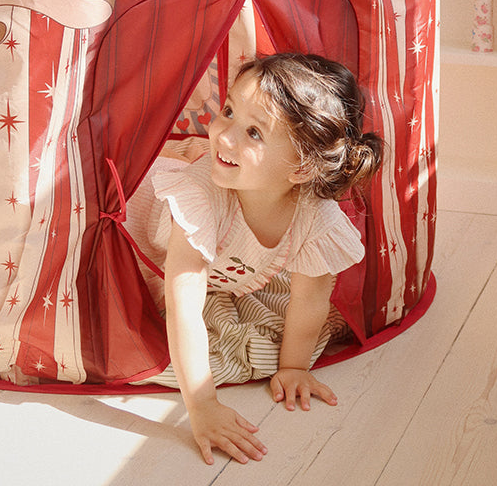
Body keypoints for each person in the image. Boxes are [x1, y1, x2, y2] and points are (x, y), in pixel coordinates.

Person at [125, 53, 384, 465]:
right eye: (229, 111)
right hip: (135, 244)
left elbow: (310, 300)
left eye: (253, 132)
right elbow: (183, 307)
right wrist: (202, 406)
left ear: (300, 169)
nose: (224, 136)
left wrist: (293, 367)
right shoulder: (199, 197)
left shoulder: (315, 217)